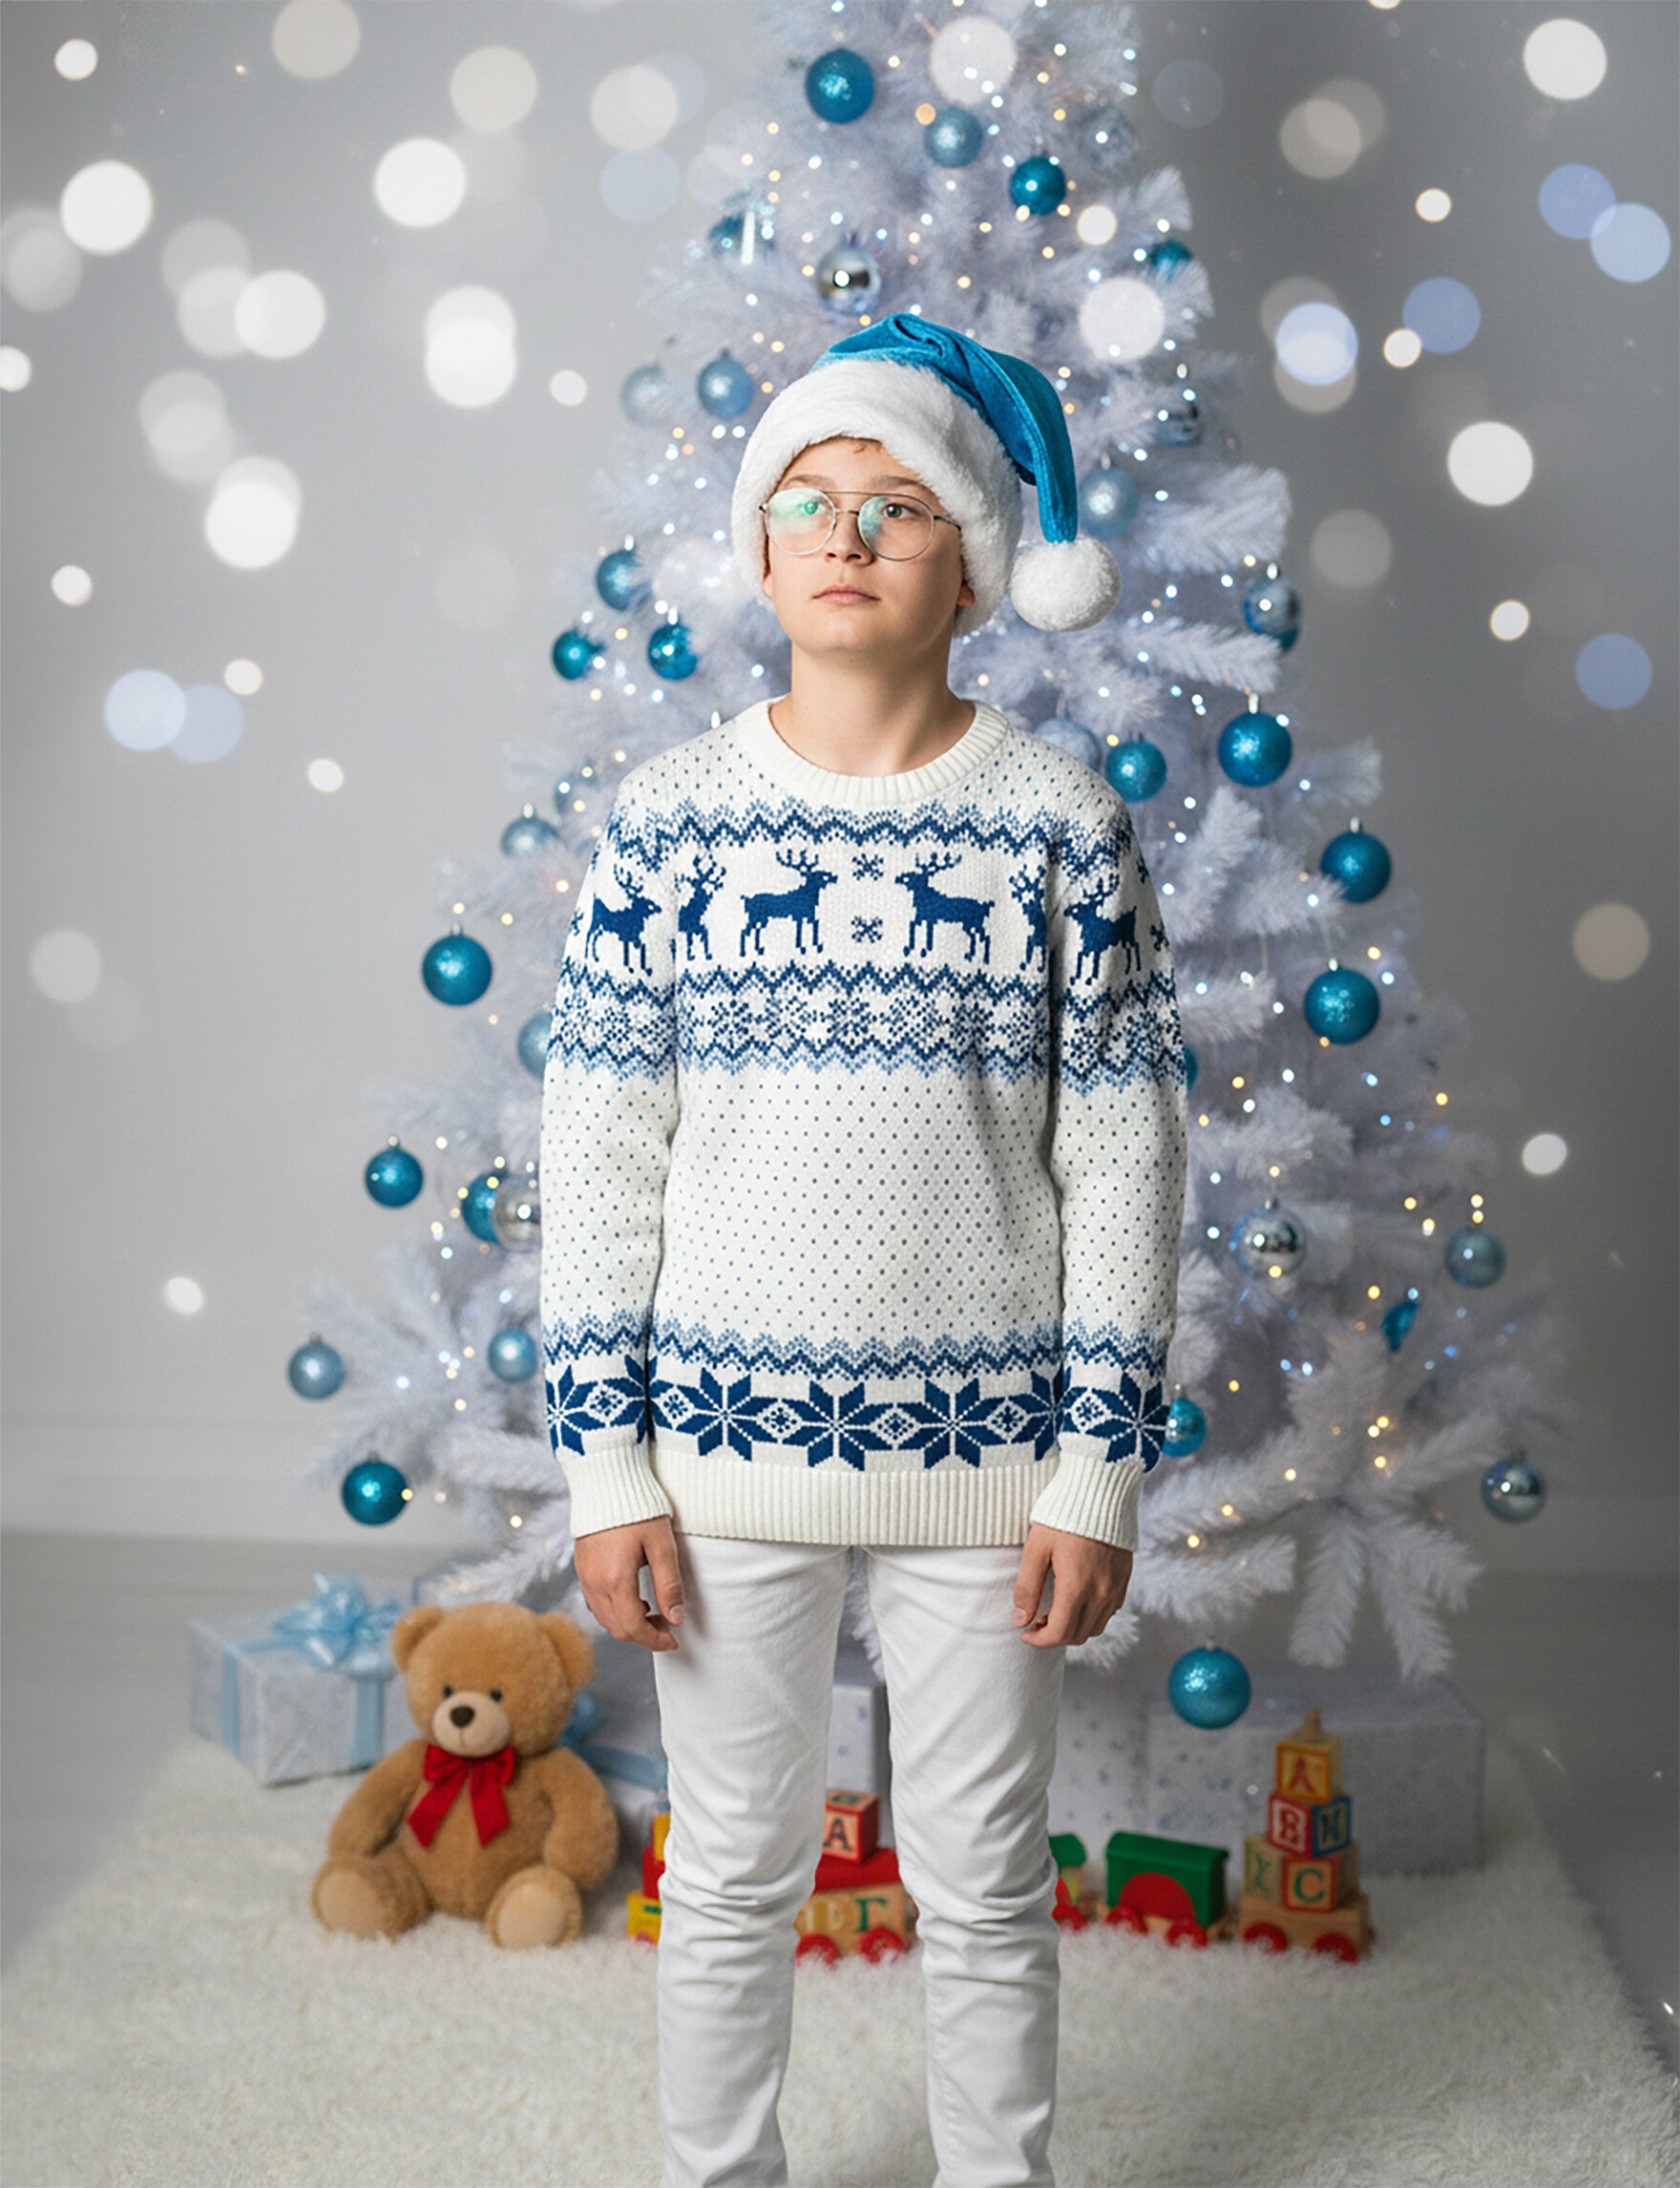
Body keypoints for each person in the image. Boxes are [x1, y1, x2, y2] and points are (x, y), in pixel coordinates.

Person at [539, 312, 1189, 2188]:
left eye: (898, 505)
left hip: (991, 1466)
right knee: (733, 1870)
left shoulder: (1059, 827)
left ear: (971, 566)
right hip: (720, 1452)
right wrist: (607, 1469)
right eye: (808, 501)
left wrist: (1094, 1471)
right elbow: (602, 1151)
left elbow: (1125, 1151)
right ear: (758, 557)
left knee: (982, 1880)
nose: (846, 534)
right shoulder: (670, 826)